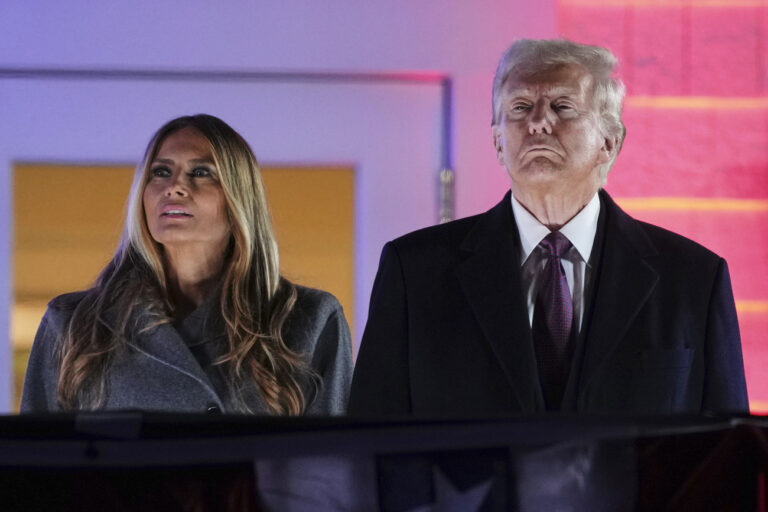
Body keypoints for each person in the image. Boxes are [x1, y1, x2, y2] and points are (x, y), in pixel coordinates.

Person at [349, 39, 748, 416]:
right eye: (521, 107)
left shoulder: (694, 279)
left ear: (610, 141)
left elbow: (730, 458)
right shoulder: (414, 271)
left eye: (562, 106)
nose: (538, 122)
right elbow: (368, 447)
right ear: (498, 142)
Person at [21, 114, 352, 415]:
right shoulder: (72, 323)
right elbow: (35, 467)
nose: (174, 186)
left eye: (201, 172)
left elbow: (331, 468)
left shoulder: (308, 319)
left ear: (239, 199)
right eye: (161, 172)